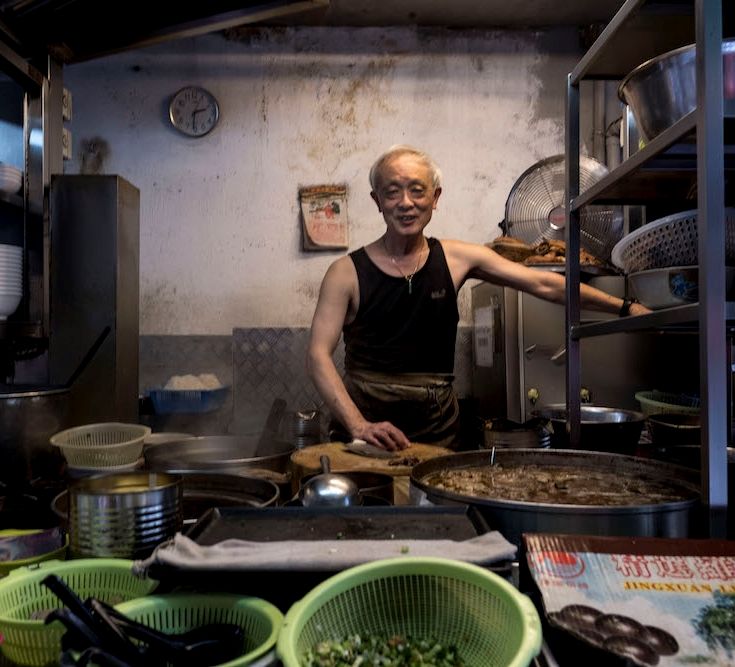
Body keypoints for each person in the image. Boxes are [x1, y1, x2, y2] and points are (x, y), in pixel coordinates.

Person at [306, 145, 650, 451]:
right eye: (392, 192)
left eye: (417, 190)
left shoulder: (458, 258)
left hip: (435, 427)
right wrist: (359, 426)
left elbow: (544, 284)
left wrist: (624, 306)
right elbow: (317, 355)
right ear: (377, 201)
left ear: (435, 198)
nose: (406, 203)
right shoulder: (345, 272)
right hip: (362, 427)